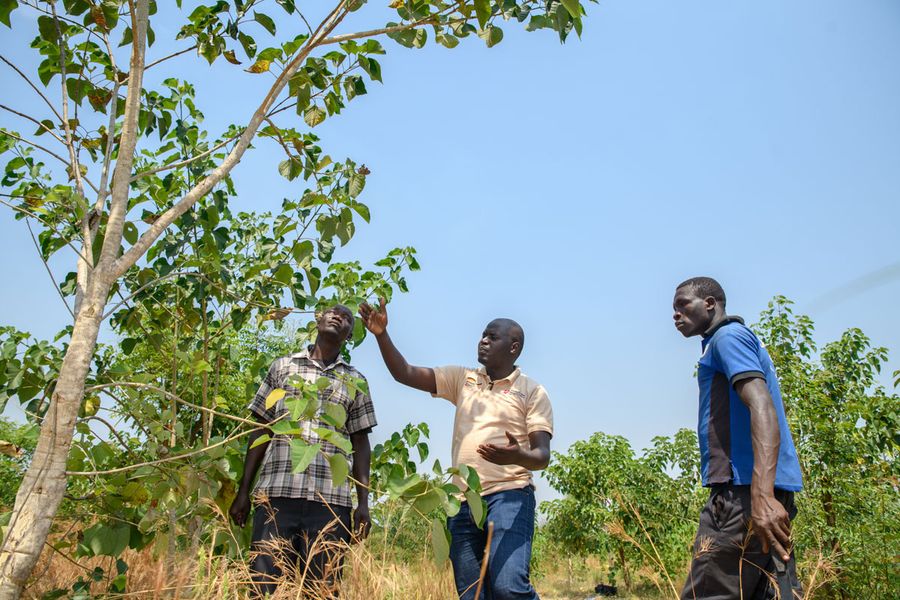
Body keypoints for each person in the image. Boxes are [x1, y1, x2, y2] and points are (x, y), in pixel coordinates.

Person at [359, 299, 553, 600]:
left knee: (508, 588)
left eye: (492, 337)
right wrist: (382, 334)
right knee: (472, 595)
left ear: (513, 348)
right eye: (482, 335)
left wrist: (516, 455)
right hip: (461, 501)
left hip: (510, 495)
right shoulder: (464, 379)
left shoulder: (532, 391)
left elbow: (541, 456)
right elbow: (405, 373)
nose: (483, 341)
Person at [229, 304, 376, 597]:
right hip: (276, 495)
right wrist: (243, 490)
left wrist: (362, 502)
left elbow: (360, 442)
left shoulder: (355, 381)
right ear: (318, 320)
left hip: (330, 503)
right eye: (333, 312)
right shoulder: (283, 367)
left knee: (321, 590)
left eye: (347, 318)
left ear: (349, 336)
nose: (338, 317)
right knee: (264, 587)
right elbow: (261, 428)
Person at [672, 277, 803, 600]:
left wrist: (760, 496)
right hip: (760, 492)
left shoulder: (727, 338)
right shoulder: (731, 341)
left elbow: (762, 406)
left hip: (743, 494)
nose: (675, 315)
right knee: (773, 592)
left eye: (683, 305)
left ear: (710, 304)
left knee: (708, 593)